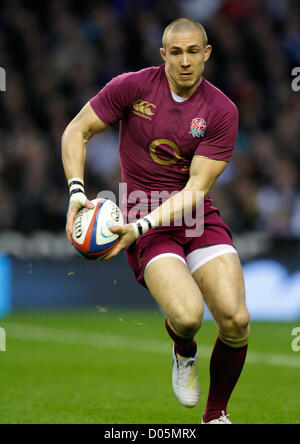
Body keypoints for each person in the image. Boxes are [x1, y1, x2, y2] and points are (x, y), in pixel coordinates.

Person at [62, 18, 250, 424]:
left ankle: (215, 415)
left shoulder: (221, 111)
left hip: (195, 216)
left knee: (236, 320)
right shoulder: (132, 87)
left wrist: (141, 227)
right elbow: (77, 131)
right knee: (186, 317)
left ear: (207, 54)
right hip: (138, 212)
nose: (185, 61)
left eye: (193, 52)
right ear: (163, 54)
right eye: (176, 52)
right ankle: (183, 350)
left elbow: (196, 190)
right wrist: (77, 192)